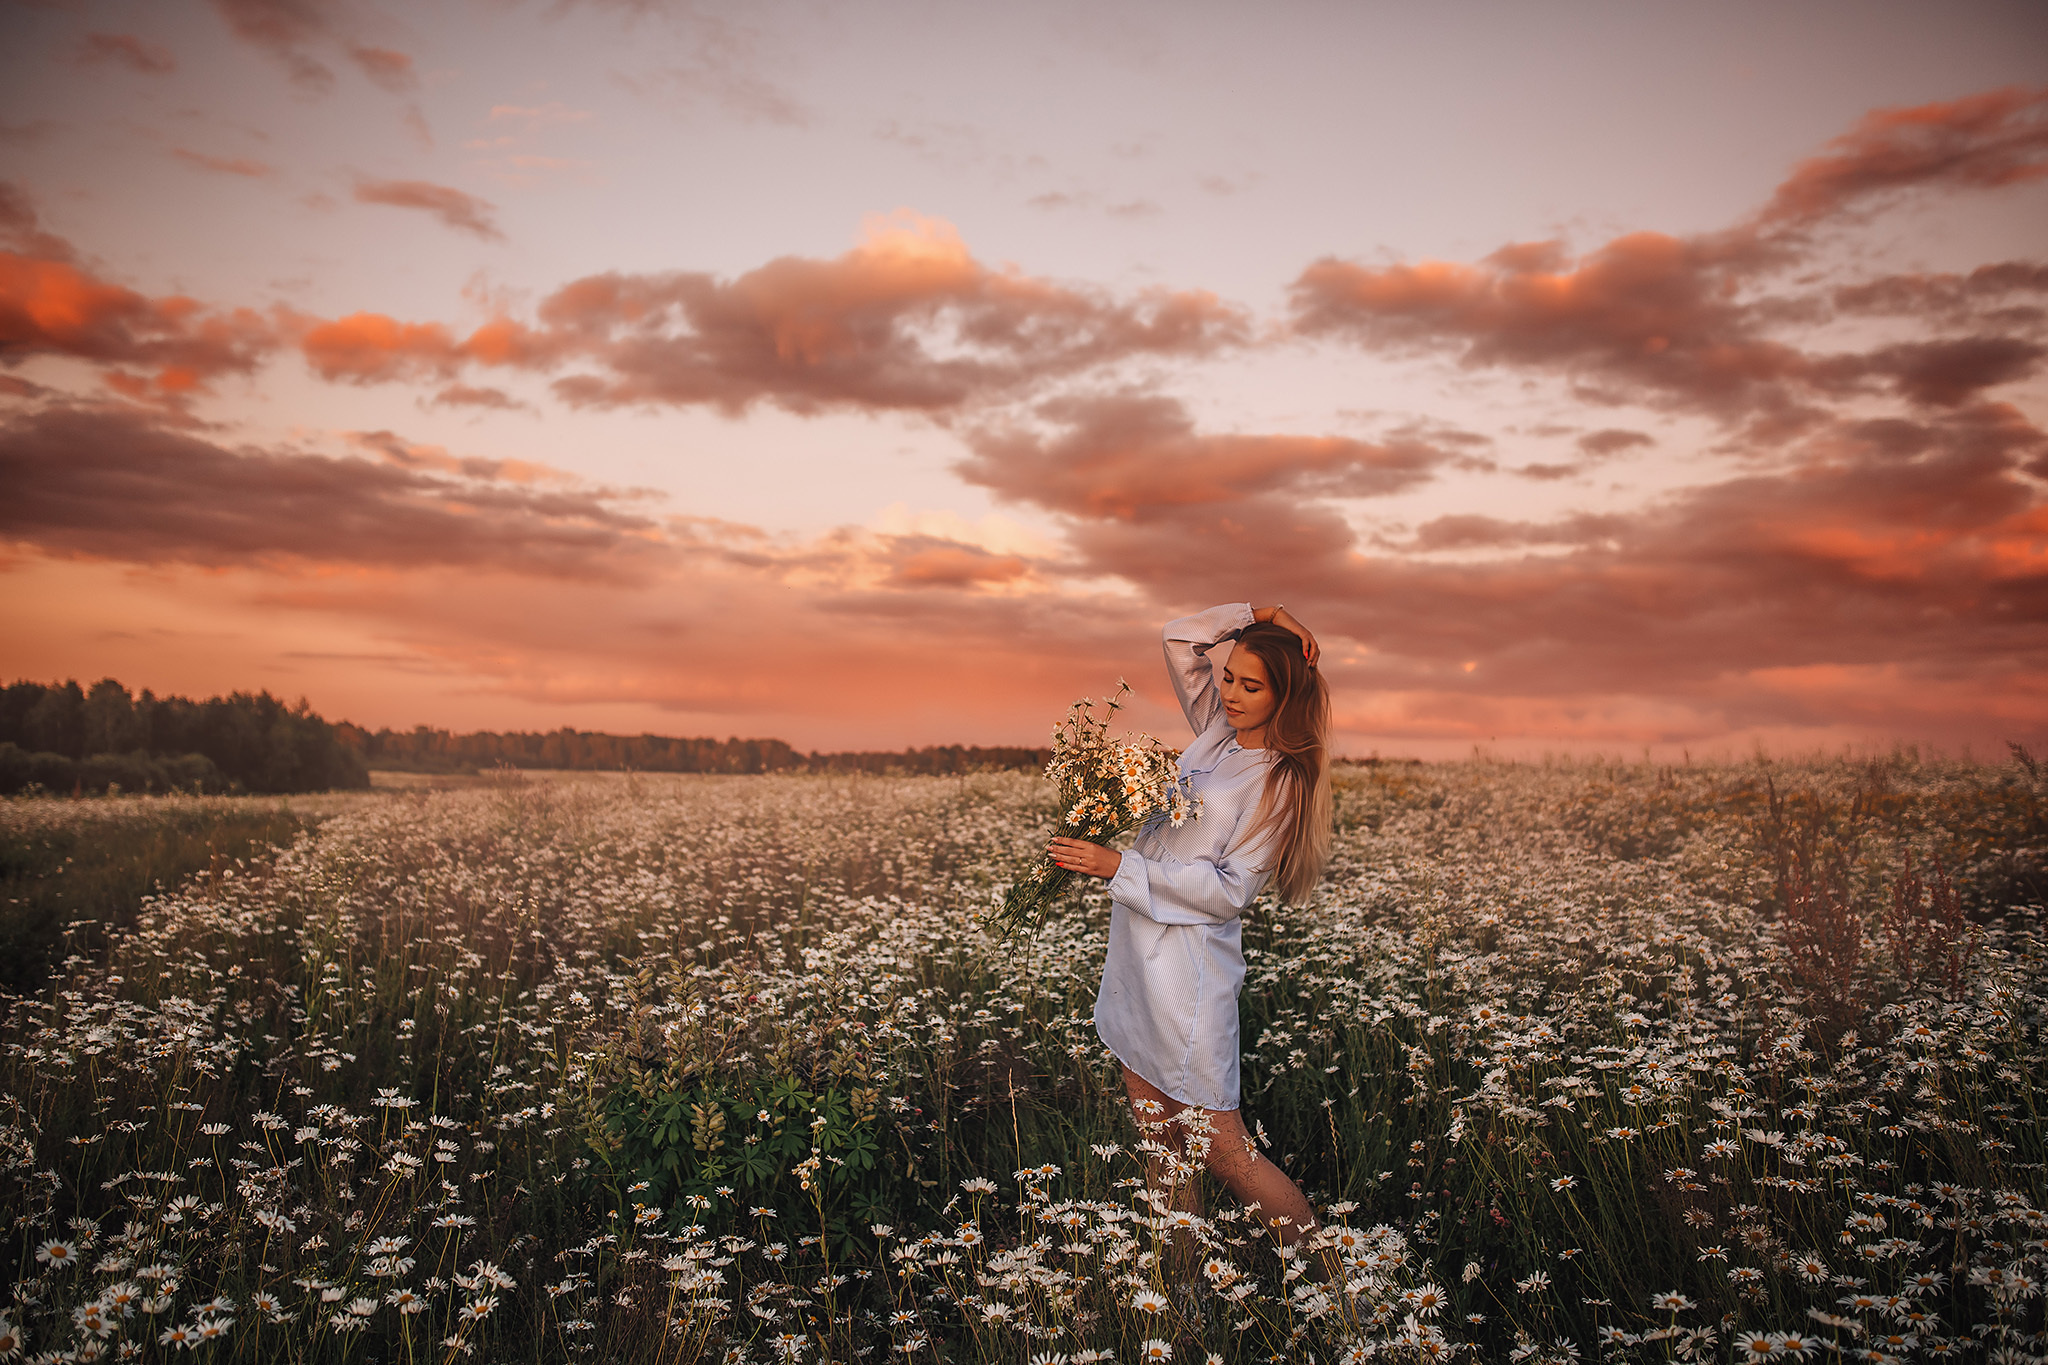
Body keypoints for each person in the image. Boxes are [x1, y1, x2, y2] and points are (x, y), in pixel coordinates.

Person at [1048, 602, 1334, 1296]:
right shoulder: (1215, 736)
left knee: (1228, 1155)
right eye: (1229, 678)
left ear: (1286, 695)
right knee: (1158, 1146)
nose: (1231, 694)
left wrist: (1120, 867)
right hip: (1138, 964)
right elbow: (1180, 636)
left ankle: (1339, 1288)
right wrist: (1257, 611)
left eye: (1251, 685)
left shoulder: (1278, 779)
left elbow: (1229, 891)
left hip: (1191, 981)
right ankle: (1181, 1300)